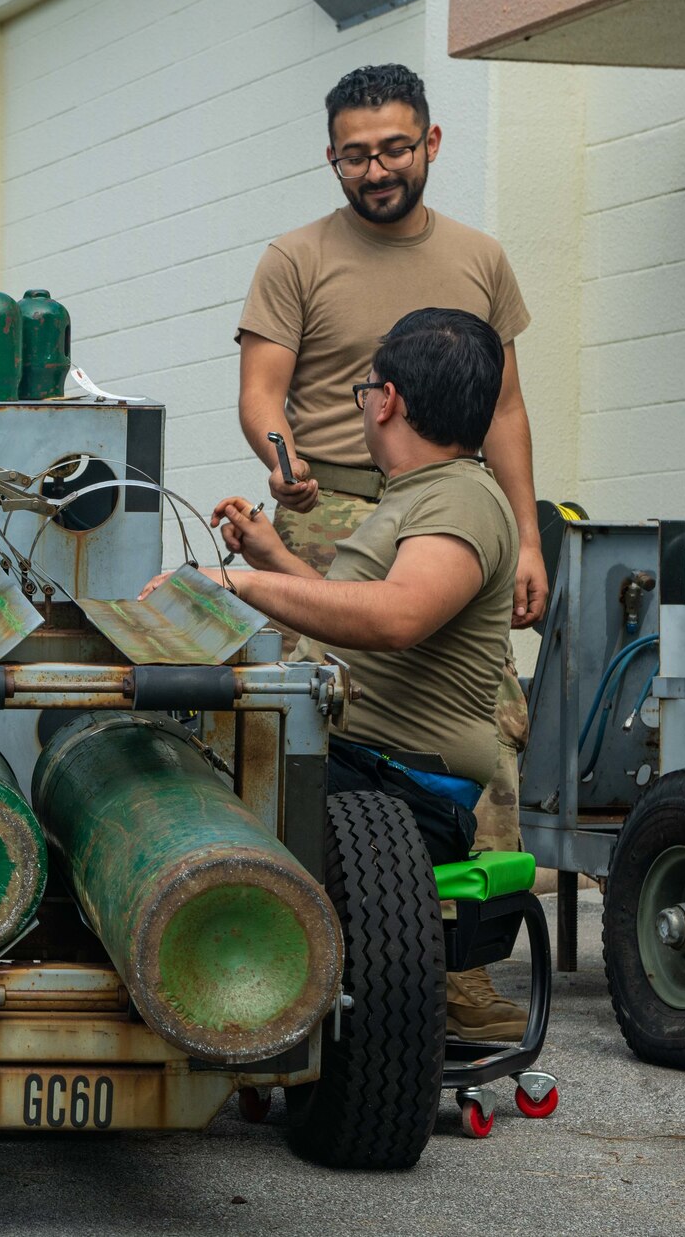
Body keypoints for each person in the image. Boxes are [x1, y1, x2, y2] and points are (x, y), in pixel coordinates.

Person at [167, 307, 526, 1041]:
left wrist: (239, 585)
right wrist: (272, 557)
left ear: (387, 399)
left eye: (367, 389)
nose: (365, 401)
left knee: (165, 782)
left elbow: (396, 617)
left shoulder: (458, 497)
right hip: (365, 766)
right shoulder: (425, 493)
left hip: (393, 787)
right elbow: (363, 624)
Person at [234, 62, 538, 900]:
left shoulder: (481, 258)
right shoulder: (296, 257)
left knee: (480, 719)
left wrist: (529, 539)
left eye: (395, 148)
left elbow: (506, 408)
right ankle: (317, 935)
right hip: (325, 501)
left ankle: (464, 964)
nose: (377, 169)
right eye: (354, 155)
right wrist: (282, 459)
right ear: (331, 157)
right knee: (313, 715)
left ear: (431, 142)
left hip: (451, 503)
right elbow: (262, 392)